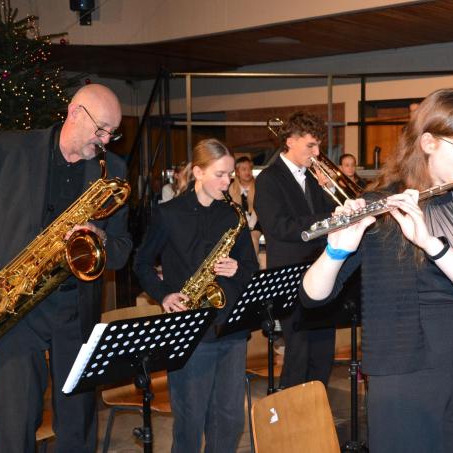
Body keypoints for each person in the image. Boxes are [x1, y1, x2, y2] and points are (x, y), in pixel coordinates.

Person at [301, 88, 453, 453]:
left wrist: (430, 243)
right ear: (429, 142)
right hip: (398, 376)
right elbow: (312, 296)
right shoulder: (378, 206)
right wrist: (337, 250)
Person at [0, 84, 131, 452]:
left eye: (113, 132)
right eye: (102, 129)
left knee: (78, 427)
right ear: (75, 113)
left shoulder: (113, 170)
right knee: (17, 425)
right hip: (13, 308)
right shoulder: (11, 150)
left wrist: (101, 239)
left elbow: (122, 249)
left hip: (75, 310)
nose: (107, 140)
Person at [133, 138, 258, 453]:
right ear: (199, 172)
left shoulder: (234, 214)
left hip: (230, 328)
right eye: (220, 174)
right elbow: (142, 263)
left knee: (229, 420)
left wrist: (237, 267)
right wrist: (164, 295)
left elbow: (251, 267)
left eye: (230, 175)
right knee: (190, 421)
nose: (227, 182)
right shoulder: (168, 214)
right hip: (190, 330)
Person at [254, 111, 338, 388]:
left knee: (323, 351)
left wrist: (330, 194)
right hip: (290, 276)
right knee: (298, 352)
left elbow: (331, 216)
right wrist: (328, 219)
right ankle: (291, 409)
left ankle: (317, 407)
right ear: (290, 141)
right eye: (311, 145)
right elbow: (280, 227)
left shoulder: (314, 177)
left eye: (318, 146)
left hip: (320, 272)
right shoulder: (269, 179)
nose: (317, 153)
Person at [228, 155, 263, 256]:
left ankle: (252, 262)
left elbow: (258, 209)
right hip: (239, 222)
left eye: (249, 169)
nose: (248, 172)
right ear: (237, 172)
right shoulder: (231, 188)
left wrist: (250, 226)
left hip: (256, 221)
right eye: (244, 169)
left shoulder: (259, 186)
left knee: (252, 238)